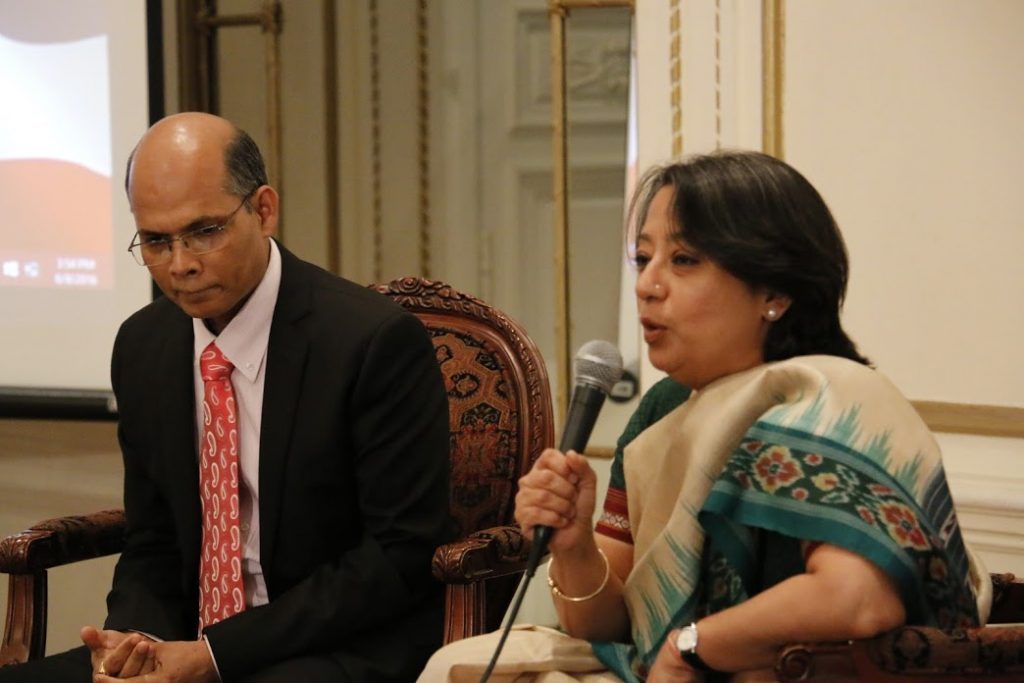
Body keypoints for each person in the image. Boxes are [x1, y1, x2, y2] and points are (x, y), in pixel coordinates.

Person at [418, 151, 989, 682]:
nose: (647, 285)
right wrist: (573, 545)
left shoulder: (829, 399)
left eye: (684, 260)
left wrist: (691, 644)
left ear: (774, 290)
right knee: (463, 665)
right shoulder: (666, 409)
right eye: (643, 259)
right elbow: (610, 625)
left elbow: (859, 601)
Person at [0, 112, 452, 682]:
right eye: (157, 242)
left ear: (264, 210)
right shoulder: (144, 345)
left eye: (204, 231)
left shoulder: (370, 342)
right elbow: (153, 540)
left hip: (333, 645)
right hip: (185, 644)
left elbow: (396, 555)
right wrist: (137, 648)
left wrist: (215, 656)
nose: (181, 264)